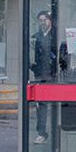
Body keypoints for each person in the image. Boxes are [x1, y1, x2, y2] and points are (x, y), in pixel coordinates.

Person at [31, 10, 58, 143]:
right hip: (40, 74)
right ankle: (41, 132)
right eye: (40, 20)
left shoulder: (56, 36)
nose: (42, 23)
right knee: (41, 104)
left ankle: (56, 131)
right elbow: (31, 56)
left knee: (54, 103)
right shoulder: (36, 37)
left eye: (44, 20)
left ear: (50, 21)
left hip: (53, 75)